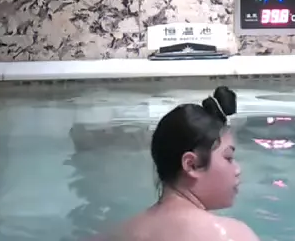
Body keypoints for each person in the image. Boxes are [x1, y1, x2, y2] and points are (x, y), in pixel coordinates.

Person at [94, 86, 260, 241]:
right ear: (191, 165)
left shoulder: (118, 233)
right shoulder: (233, 235)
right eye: (228, 158)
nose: (237, 169)